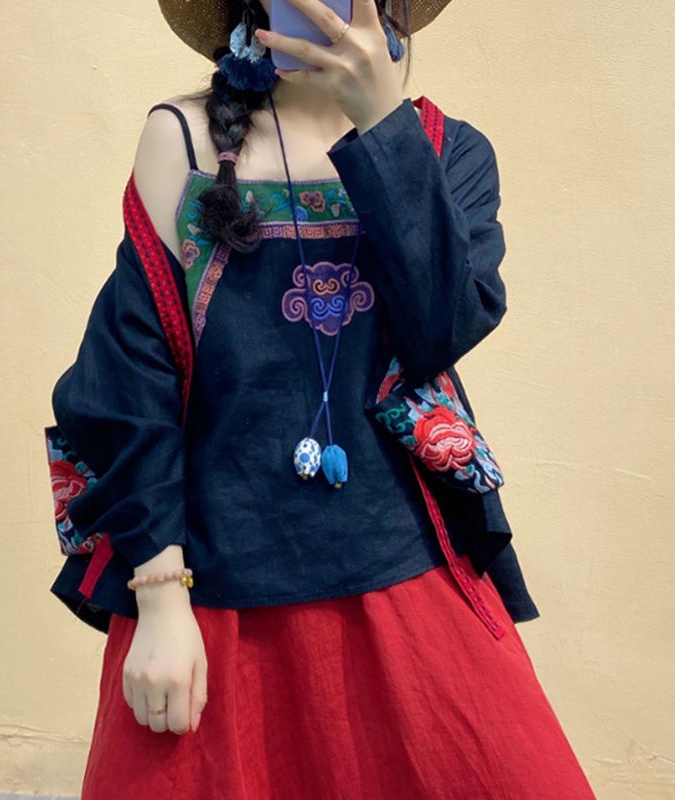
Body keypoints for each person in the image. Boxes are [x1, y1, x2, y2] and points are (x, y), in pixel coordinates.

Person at [49, 0, 597, 796]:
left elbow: (440, 332)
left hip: (404, 567)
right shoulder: (181, 139)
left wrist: (381, 127)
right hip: (209, 585)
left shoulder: (445, 150)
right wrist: (159, 599)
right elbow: (132, 377)